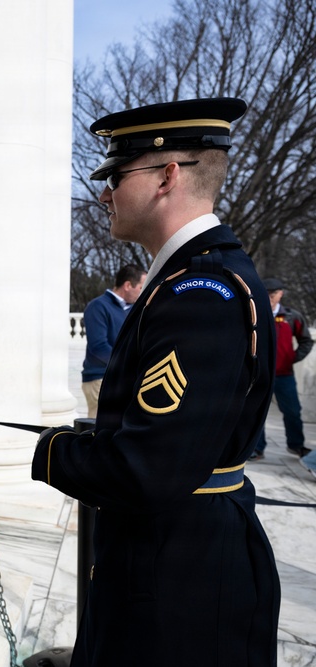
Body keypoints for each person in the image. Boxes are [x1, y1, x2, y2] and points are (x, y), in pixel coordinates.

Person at [32, 99, 280, 666]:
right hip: (176, 557)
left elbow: (145, 470)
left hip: (181, 581)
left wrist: (52, 452)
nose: (104, 193)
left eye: (116, 176)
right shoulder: (191, 281)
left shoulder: (200, 293)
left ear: (168, 175)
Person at [251, 277, 312, 460]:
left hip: (285, 375)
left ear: (280, 294)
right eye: (266, 295)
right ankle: (257, 448)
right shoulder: (256, 314)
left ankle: (296, 446)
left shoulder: (292, 317)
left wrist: (292, 358)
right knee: (256, 413)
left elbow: (306, 341)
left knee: (292, 411)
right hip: (260, 373)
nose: (269, 299)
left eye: (272, 295)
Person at [81, 264, 146, 417]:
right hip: (100, 379)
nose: (142, 292)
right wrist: (129, 364)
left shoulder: (133, 309)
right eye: (141, 288)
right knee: (99, 432)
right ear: (128, 285)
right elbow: (98, 347)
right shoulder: (98, 306)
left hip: (123, 378)